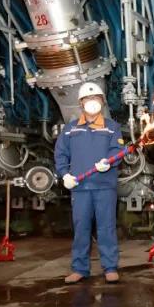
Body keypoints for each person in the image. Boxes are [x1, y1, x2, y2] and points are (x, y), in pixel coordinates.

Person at [55, 82, 123, 285]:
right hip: (80, 188)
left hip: (105, 186)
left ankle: (110, 268)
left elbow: (117, 151)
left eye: (96, 99)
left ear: (102, 102)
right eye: (88, 99)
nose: (92, 102)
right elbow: (60, 154)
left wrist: (109, 162)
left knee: (106, 228)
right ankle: (79, 269)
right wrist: (64, 175)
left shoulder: (112, 127)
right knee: (81, 229)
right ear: (81, 103)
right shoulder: (70, 129)